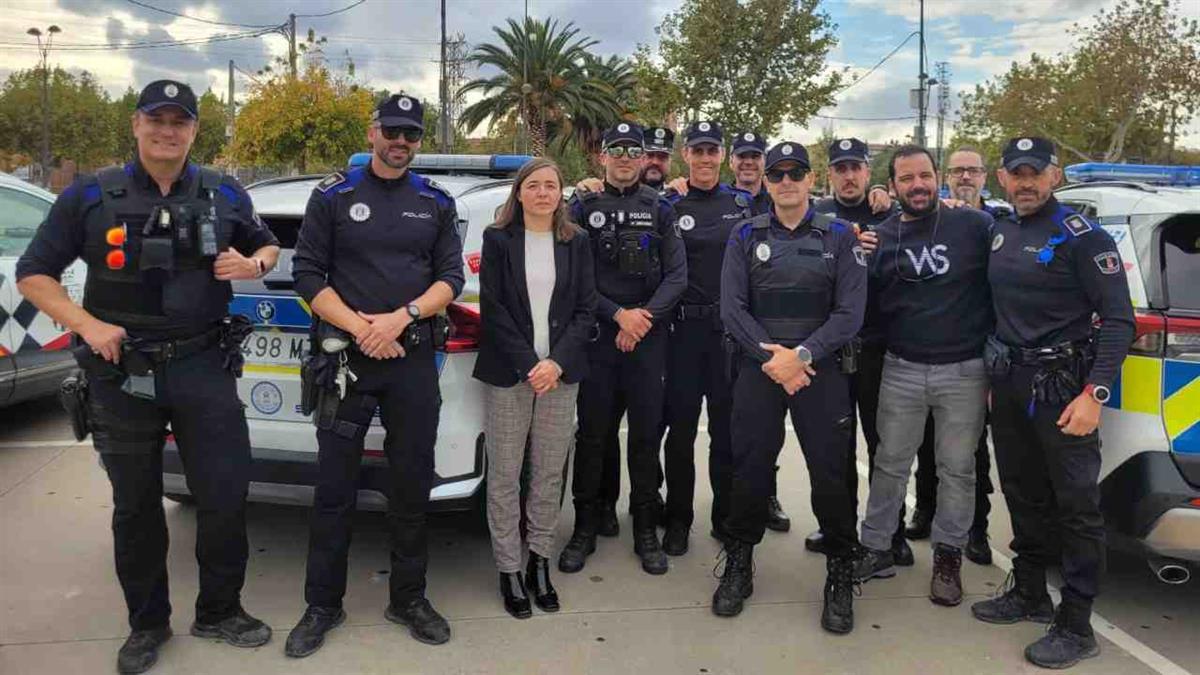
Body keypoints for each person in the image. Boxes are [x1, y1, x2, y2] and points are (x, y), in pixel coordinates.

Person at [15, 79, 280, 674]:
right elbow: (34, 274)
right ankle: (147, 624)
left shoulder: (223, 191)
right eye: (156, 119)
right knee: (135, 507)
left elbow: (267, 246)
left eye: (179, 121)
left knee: (223, 496)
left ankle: (219, 609)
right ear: (135, 125)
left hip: (203, 366)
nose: (167, 131)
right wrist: (88, 326)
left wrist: (253, 261)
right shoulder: (89, 194)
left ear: (193, 131)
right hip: (119, 370)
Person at [284, 94, 464, 656]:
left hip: (411, 363)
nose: (400, 142)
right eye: (392, 131)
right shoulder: (334, 196)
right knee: (333, 490)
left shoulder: (434, 201)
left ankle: (408, 598)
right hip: (346, 364)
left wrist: (400, 318)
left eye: (410, 134)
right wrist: (363, 329)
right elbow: (308, 275)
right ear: (372, 132)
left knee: (411, 487)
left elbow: (451, 279)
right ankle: (322, 604)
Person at [972, 137, 1134, 669]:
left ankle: (1077, 622)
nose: (1026, 182)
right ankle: (1031, 592)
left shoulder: (1084, 238)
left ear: (1055, 175)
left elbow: (1118, 322)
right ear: (1002, 178)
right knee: (1021, 494)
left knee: (1076, 508)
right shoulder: (1001, 230)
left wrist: (1095, 393)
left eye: (1035, 173)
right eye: (1016, 173)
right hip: (1012, 384)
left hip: (1065, 389)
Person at [714, 141, 866, 634]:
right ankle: (739, 563)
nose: (784, 182)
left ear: (809, 178)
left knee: (831, 475)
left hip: (819, 371)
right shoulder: (744, 234)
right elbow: (733, 309)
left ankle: (840, 573)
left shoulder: (840, 236)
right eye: (776, 174)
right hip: (761, 371)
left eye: (794, 173)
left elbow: (849, 314)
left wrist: (800, 356)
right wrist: (773, 358)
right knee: (749, 470)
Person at [853, 146, 992, 610]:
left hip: (964, 370)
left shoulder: (973, 226)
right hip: (902, 368)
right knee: (890, 462)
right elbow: (864, 303)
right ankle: (875, 548)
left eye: (925, 176)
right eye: (907, 179)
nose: (918, 185)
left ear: (938, 179)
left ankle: (948, 559)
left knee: (957, 469)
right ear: (891, 187)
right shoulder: (880, 237)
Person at [472, 158, 597, 619]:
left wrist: (556, 363)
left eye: (552, 186)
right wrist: (532, 365)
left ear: (561, 194)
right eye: (534, 185)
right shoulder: (498, 239)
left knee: (548, 473)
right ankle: (508, 568)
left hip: (561, 376)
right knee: (504, 475)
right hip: (511, 374)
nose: (544, 193)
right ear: (519, 193)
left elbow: (586, 310)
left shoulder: (576, 241)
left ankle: (538, 561)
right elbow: (494, 308)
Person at [560, 122, 686, 576]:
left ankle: (646, 530)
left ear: (643, 157)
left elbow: (676, 276)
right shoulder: (582, 205)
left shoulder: (660, 208)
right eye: (617, 149)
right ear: (602, 156)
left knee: (647, 438)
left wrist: (641, 319)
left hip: (647, 340)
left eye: (634, 151)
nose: (626, 157)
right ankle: (586, 527)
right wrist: (618, 316)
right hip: (599, 340)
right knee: (594, 437)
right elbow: (574, 277)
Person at [803, 138, 912, 567]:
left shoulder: (891, 214)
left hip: (879, 349)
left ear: (869, 172)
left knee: (886, 447)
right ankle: (839, 529)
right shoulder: (818, 216)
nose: (849, 176)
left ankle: (892, 534)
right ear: (829, 174)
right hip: (831, 349)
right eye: (840, 168)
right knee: (835, 446)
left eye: (856, 167)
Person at [659, 121, 753, 553]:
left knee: (726, 432)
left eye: (712, 150)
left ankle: (725, 517)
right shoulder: (670, 204)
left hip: (728, 337)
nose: (704, 158)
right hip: (681, 335)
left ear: (723, 155)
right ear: (686, 155)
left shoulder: (743, 204)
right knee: (679, 433)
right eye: (697, 151)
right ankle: (678, 519)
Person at [905, 146, 1001, 565]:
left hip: (975, 352)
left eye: (972, 171)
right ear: (945, 175)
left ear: (985, 177)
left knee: (969, 451)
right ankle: (925, 509)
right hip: (929, 350)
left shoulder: (997, 223)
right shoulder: (937, 215)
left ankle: (975, 529)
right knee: (927, 442)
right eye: (958, 170)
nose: (965, 177)